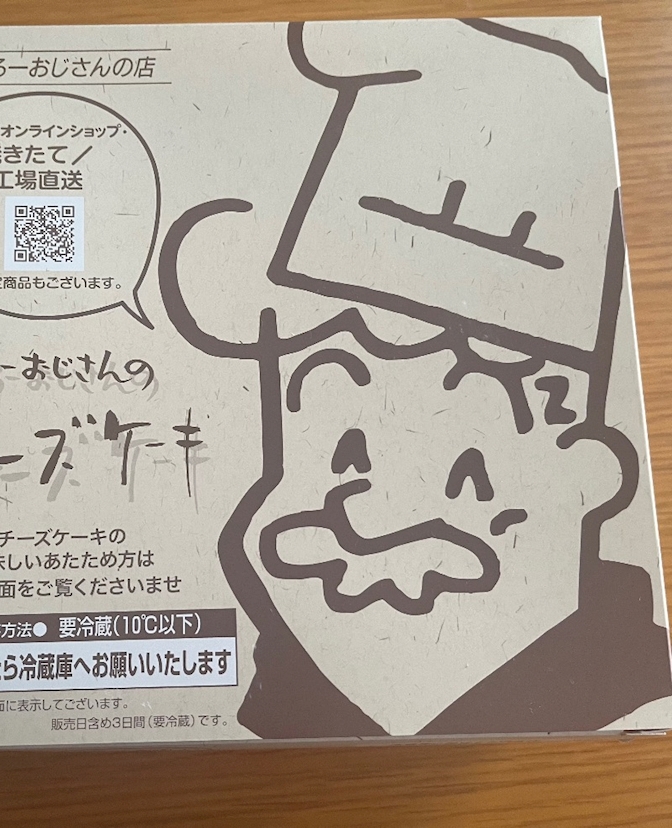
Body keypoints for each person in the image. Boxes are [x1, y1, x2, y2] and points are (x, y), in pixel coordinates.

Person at [159, 19, 672, 737]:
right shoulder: (275, 704)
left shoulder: (630, 703)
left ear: (588, 476)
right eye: (343, 455)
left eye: (467, 474)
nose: (368, 516)